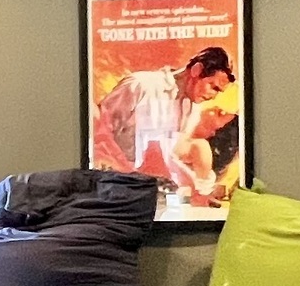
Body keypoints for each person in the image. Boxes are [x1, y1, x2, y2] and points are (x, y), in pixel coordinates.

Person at [94, 44, 240, 210]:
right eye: (213, 86)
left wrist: (200, 190)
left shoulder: (193, 108)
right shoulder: (141, 85)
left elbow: (170, 157)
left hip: (157, 191)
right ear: (196, 70)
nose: (213, 96)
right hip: (117, 186)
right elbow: (99, 131)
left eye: (219, 91)